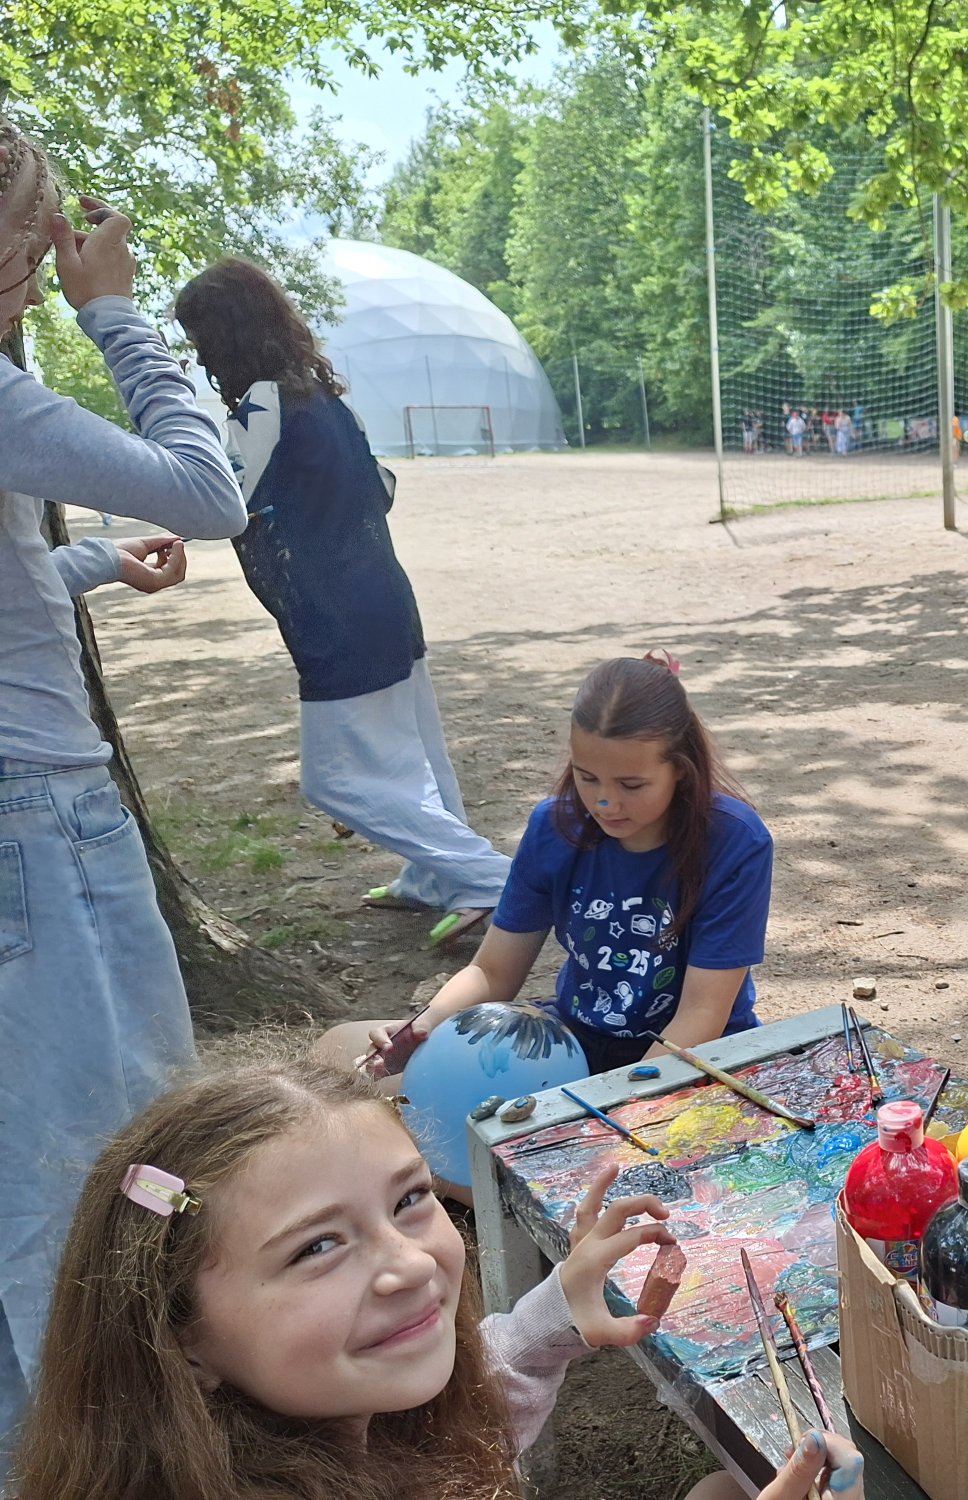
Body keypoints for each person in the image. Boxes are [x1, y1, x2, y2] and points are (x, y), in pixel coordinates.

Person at [10, 1061, 864, 1500]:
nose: (414, 1263)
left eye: (410, 1200)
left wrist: (557, 1311)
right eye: (317, 1247)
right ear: (184, 1337)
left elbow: (484, 1379)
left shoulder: (327, 1419)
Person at [0, 115, 246, 1473]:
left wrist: (93, 563)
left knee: (28, 1175)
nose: (48, 265)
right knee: (111, 1176)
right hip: (36, 825)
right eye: (37, 242)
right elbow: (211, 491)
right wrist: (115, 315)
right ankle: (115, 1466)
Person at [173, 258, 512, 948]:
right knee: (421, 751)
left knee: (330, 782)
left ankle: (492, 879)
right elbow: (380, 486)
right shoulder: (323, 396)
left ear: (228, 335)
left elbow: (217, 503)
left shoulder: (261, 404)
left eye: (201, 339)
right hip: (385, 598)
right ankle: (436, 876)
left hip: (338, 617)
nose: (199, 356)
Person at [314, 652, 775, 1082]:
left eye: (631, 785)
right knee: (338, 1053)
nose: (605, 803)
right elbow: (493, 971)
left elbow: (702, 1013)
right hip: (574, 1041)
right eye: (587, 777)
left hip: (697, 1056)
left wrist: (619, 1098)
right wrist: (424, 1025)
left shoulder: (734, 841)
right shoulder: (555, 827)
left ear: (681, 769)